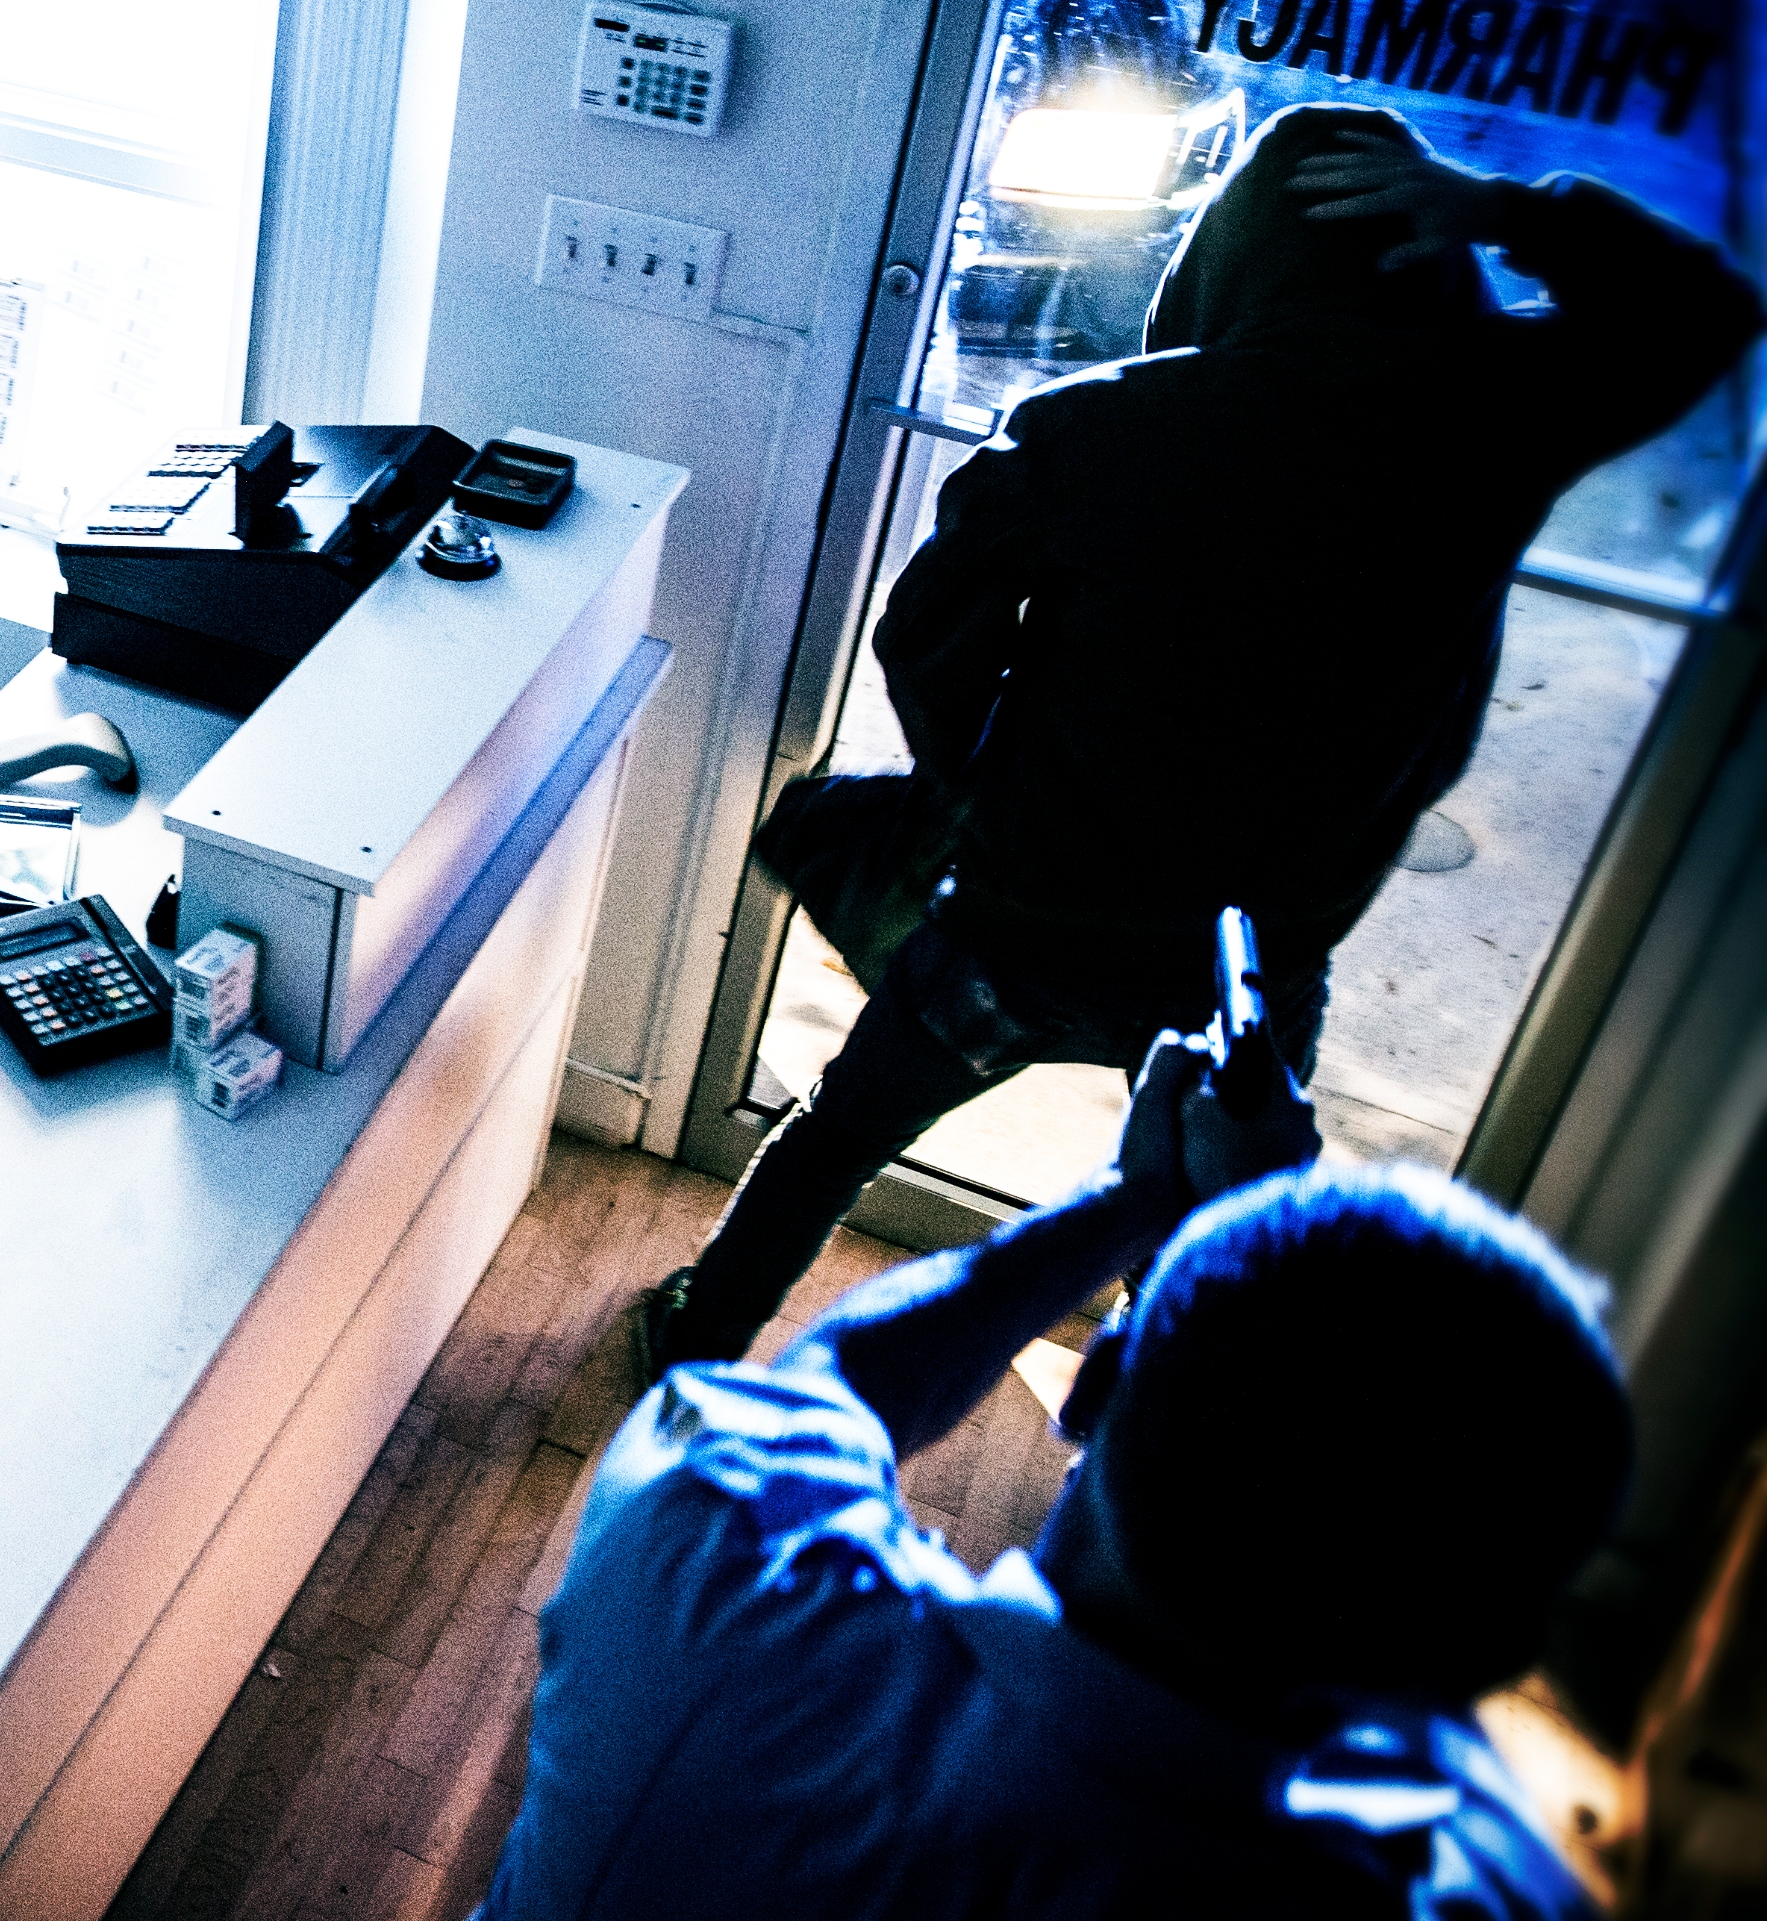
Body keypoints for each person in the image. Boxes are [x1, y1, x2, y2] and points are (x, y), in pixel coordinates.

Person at [637, 102, 1763, 1375]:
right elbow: (1710, 312)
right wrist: (1502, 208)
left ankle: (700, 1337)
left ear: (1227, 253)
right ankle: (1121, 1447)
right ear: (1423, 249)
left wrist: (979, 781)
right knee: (1205, 1225)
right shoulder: (1497, 417)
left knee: (840, 1135)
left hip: (1023, 927)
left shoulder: (1097, 426)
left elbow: (923, 639)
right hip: (1253, 961)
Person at [484, 1032, 1633, 1918]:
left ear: (1086, 1385)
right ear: (1478, 1656)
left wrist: (1135, 1198)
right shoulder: (1479, 1888)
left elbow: (836, 1382)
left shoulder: (707, 1561)